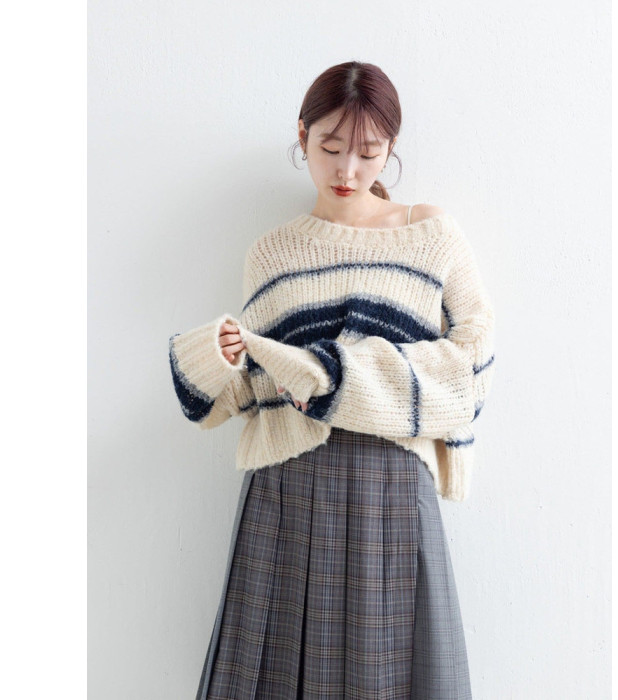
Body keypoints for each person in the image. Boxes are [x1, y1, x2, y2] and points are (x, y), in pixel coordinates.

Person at [168, 60, 496, 700]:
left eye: (369, 153)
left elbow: (474, 365)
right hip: (287, 487)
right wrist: (220, 353)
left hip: (389, 486)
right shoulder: (273, 252)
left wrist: (340, 377)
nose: (348, 170)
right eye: (330, 147)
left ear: (391, 148)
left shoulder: (430, 234)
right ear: (302, 136)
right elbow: (250, 391)